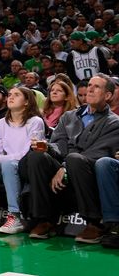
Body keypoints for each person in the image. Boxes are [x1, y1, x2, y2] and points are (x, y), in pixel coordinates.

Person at [22, 74, 119, 242]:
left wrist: (65, 166)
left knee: (75, 159)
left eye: (96, 87)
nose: (90, 89)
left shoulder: (114, 123)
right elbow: (59, 144)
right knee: (37, 156)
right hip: (64, 164)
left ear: (108, 95)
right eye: (89, 85)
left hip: (87, 170)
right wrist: (47, 147)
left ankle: (94, 223)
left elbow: (98, 152)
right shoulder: (69, 116)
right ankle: (44, 219)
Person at [0, 87, 45, 234]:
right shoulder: (0, 123)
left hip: (26, 166)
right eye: (10, 95)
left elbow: (27, 153)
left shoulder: (35, 122)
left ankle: (16, 216)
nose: (11, 97)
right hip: (7, 165)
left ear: (26, 102)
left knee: (5, 163)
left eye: (17, 95)